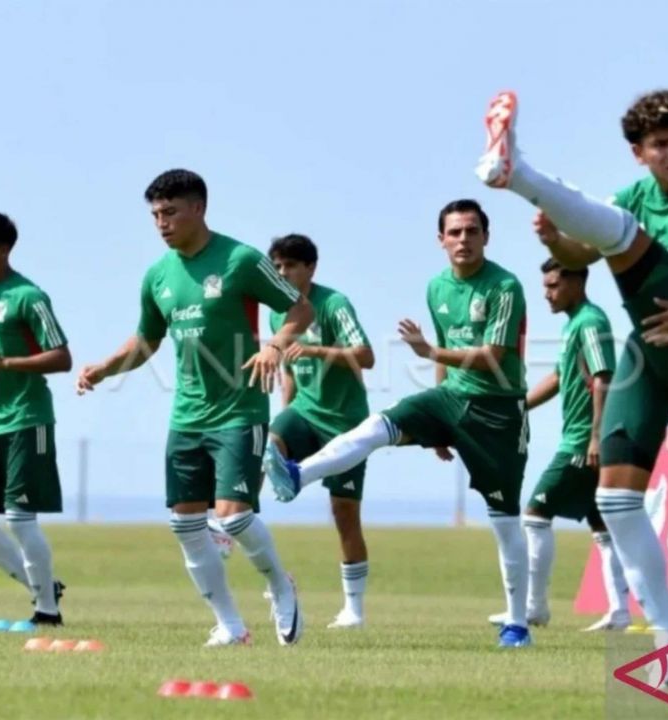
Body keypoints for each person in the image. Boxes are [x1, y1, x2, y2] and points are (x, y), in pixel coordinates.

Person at [475, 89, 668, 682]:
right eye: (661, 144)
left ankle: (519, 173)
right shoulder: (631, 196)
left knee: (627, 237)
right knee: (614, 500)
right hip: (650, 345)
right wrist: (556, 241)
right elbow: (589, 247)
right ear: (639, 154)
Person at [265, 199, 534, 648]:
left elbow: (493, 357)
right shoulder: (437, 287)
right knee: (378, 426)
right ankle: (297, 474)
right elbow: (447, 352)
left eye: (471, 231)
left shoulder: (504, 286)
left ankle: (518, 624)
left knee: (505, 521)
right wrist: (438, 428)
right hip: (448, 400)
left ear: (486, 236)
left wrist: (430, 354)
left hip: (498, 412)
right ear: (441, 240)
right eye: (454, 232)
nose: (463, 240)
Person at [76, 169, 313, 646]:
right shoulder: (158, 275)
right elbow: (146, 340)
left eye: (170, 212)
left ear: (199, 209)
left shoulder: (241, 260)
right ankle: (230, 626)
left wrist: (275, 345)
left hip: (239, 410)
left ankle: (279, 586)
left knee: (232, 517)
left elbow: (300, 309)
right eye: (155, 215)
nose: (161, 223)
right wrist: (104, 368)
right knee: (185, 524)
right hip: (186, 416)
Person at [488, 258, 632, 632]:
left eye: (553, 285)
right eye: (545, 285)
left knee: (535, 514)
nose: (546, 293)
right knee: (601, 525)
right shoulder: (575, 325)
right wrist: (520, 407)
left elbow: (603, 379)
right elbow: (558, 375)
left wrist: (596, 436)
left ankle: (534, 608)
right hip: (583, 439)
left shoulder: (591, 322)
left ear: (576, 281)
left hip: (582, 441)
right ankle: (619, 611)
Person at [0, 212, 71, 626]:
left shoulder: (29, 296)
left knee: (21, 519)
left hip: (28, 420)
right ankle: (43, 585)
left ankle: (47, 612)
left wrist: (7, 361)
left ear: (3, 250)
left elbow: (62, 357)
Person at [267, 234, 375, 629]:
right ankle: (232, 524)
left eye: (290, 266)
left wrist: (315, 350)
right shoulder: (278, 312)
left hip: (346, 425)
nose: (282, 273)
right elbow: (289, 373)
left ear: (310, 268)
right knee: (266, 443)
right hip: (304, 413)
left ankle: (354, 609)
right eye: (276, 267)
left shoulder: (334, 304)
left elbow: (366, 356)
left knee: (344, 514)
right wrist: (284, 419)